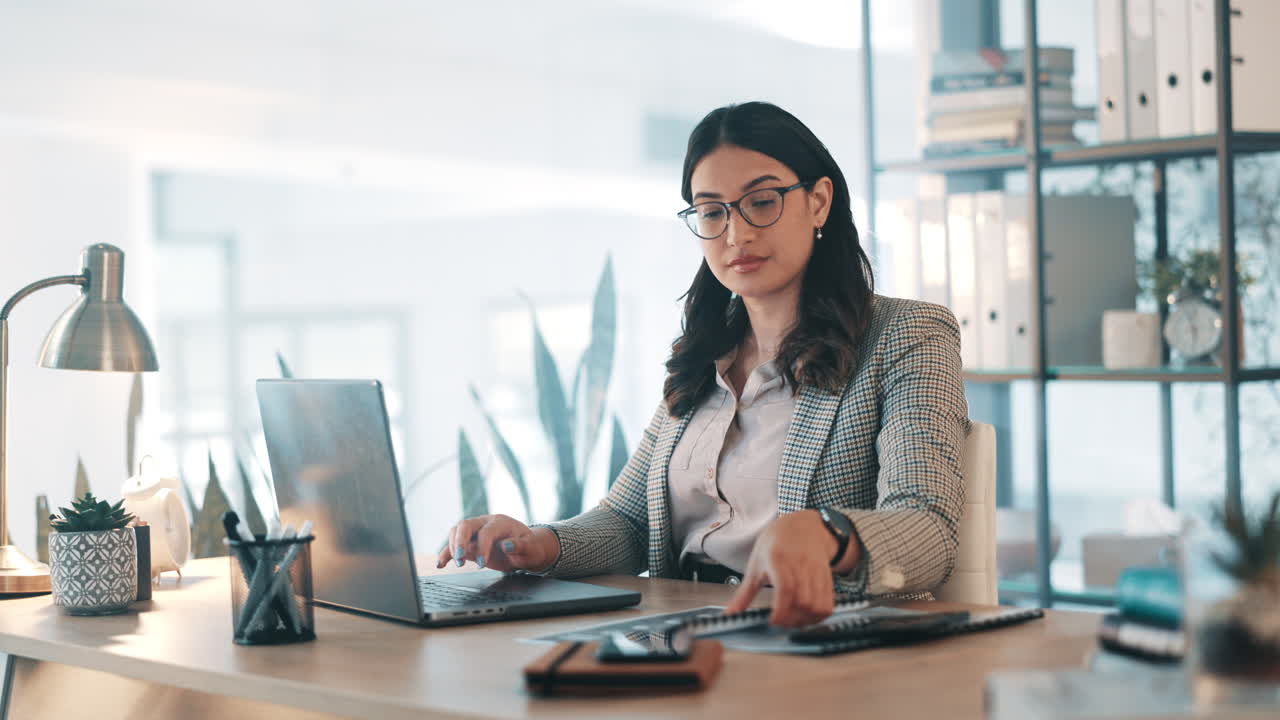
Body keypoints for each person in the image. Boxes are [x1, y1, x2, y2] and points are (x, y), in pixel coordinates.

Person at [439, 101, 967, 627]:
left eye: (761, 202)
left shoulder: (906, 335)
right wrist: (539, 545)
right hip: (684, 631)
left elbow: (928, 528)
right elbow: (629, 522)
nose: (736, 234)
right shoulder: (702, 356)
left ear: (819, 201)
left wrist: (830, 534)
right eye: (713, 212)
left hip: (814, 640)